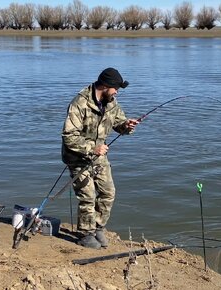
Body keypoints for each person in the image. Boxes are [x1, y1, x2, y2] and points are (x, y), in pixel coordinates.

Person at [62, 67, 139, 249]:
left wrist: (127, 125)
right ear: (105, 86)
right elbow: (68, 136)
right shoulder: (79, 103)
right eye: (115, 88)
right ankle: (85, 234)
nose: (117, 92)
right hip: (77, 156)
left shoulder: (111, 102)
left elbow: (119, 124)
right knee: (87, 196)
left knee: (108, 192)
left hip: (99, 156)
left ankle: (98, 227)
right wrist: (92, 148)